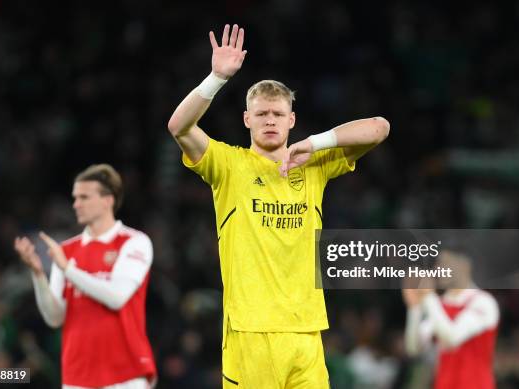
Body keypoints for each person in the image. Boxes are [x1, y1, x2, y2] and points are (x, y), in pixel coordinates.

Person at [167, 24, 390, 388]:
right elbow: (179, 127)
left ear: (291, 120)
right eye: (261, 113)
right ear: (247, 119)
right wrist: (216, 78)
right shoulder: (228, 165)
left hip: (306, 329)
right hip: (250, 330)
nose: (269, 120)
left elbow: (379, 128)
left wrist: (316, 143)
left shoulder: (314, 165)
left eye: (277, 114)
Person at [13, 164, 156, 389]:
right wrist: (38, 274)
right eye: (75, 197)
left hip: (126, 373)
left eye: (84, 197)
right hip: (77, 375)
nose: (75, 204)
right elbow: (55, 318)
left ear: (108, 200)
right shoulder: (66, 251)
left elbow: (117, 297)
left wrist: (69, 269)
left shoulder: (134, 242)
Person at [402, 248, 500, 389]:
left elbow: (452, 337)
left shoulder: (483, 302)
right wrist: (414, 308)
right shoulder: (439, 305)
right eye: (438, 264)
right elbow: (413, 348)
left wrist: (428, 296)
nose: (439, 269)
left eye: (445, 263)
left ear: (465, 265)